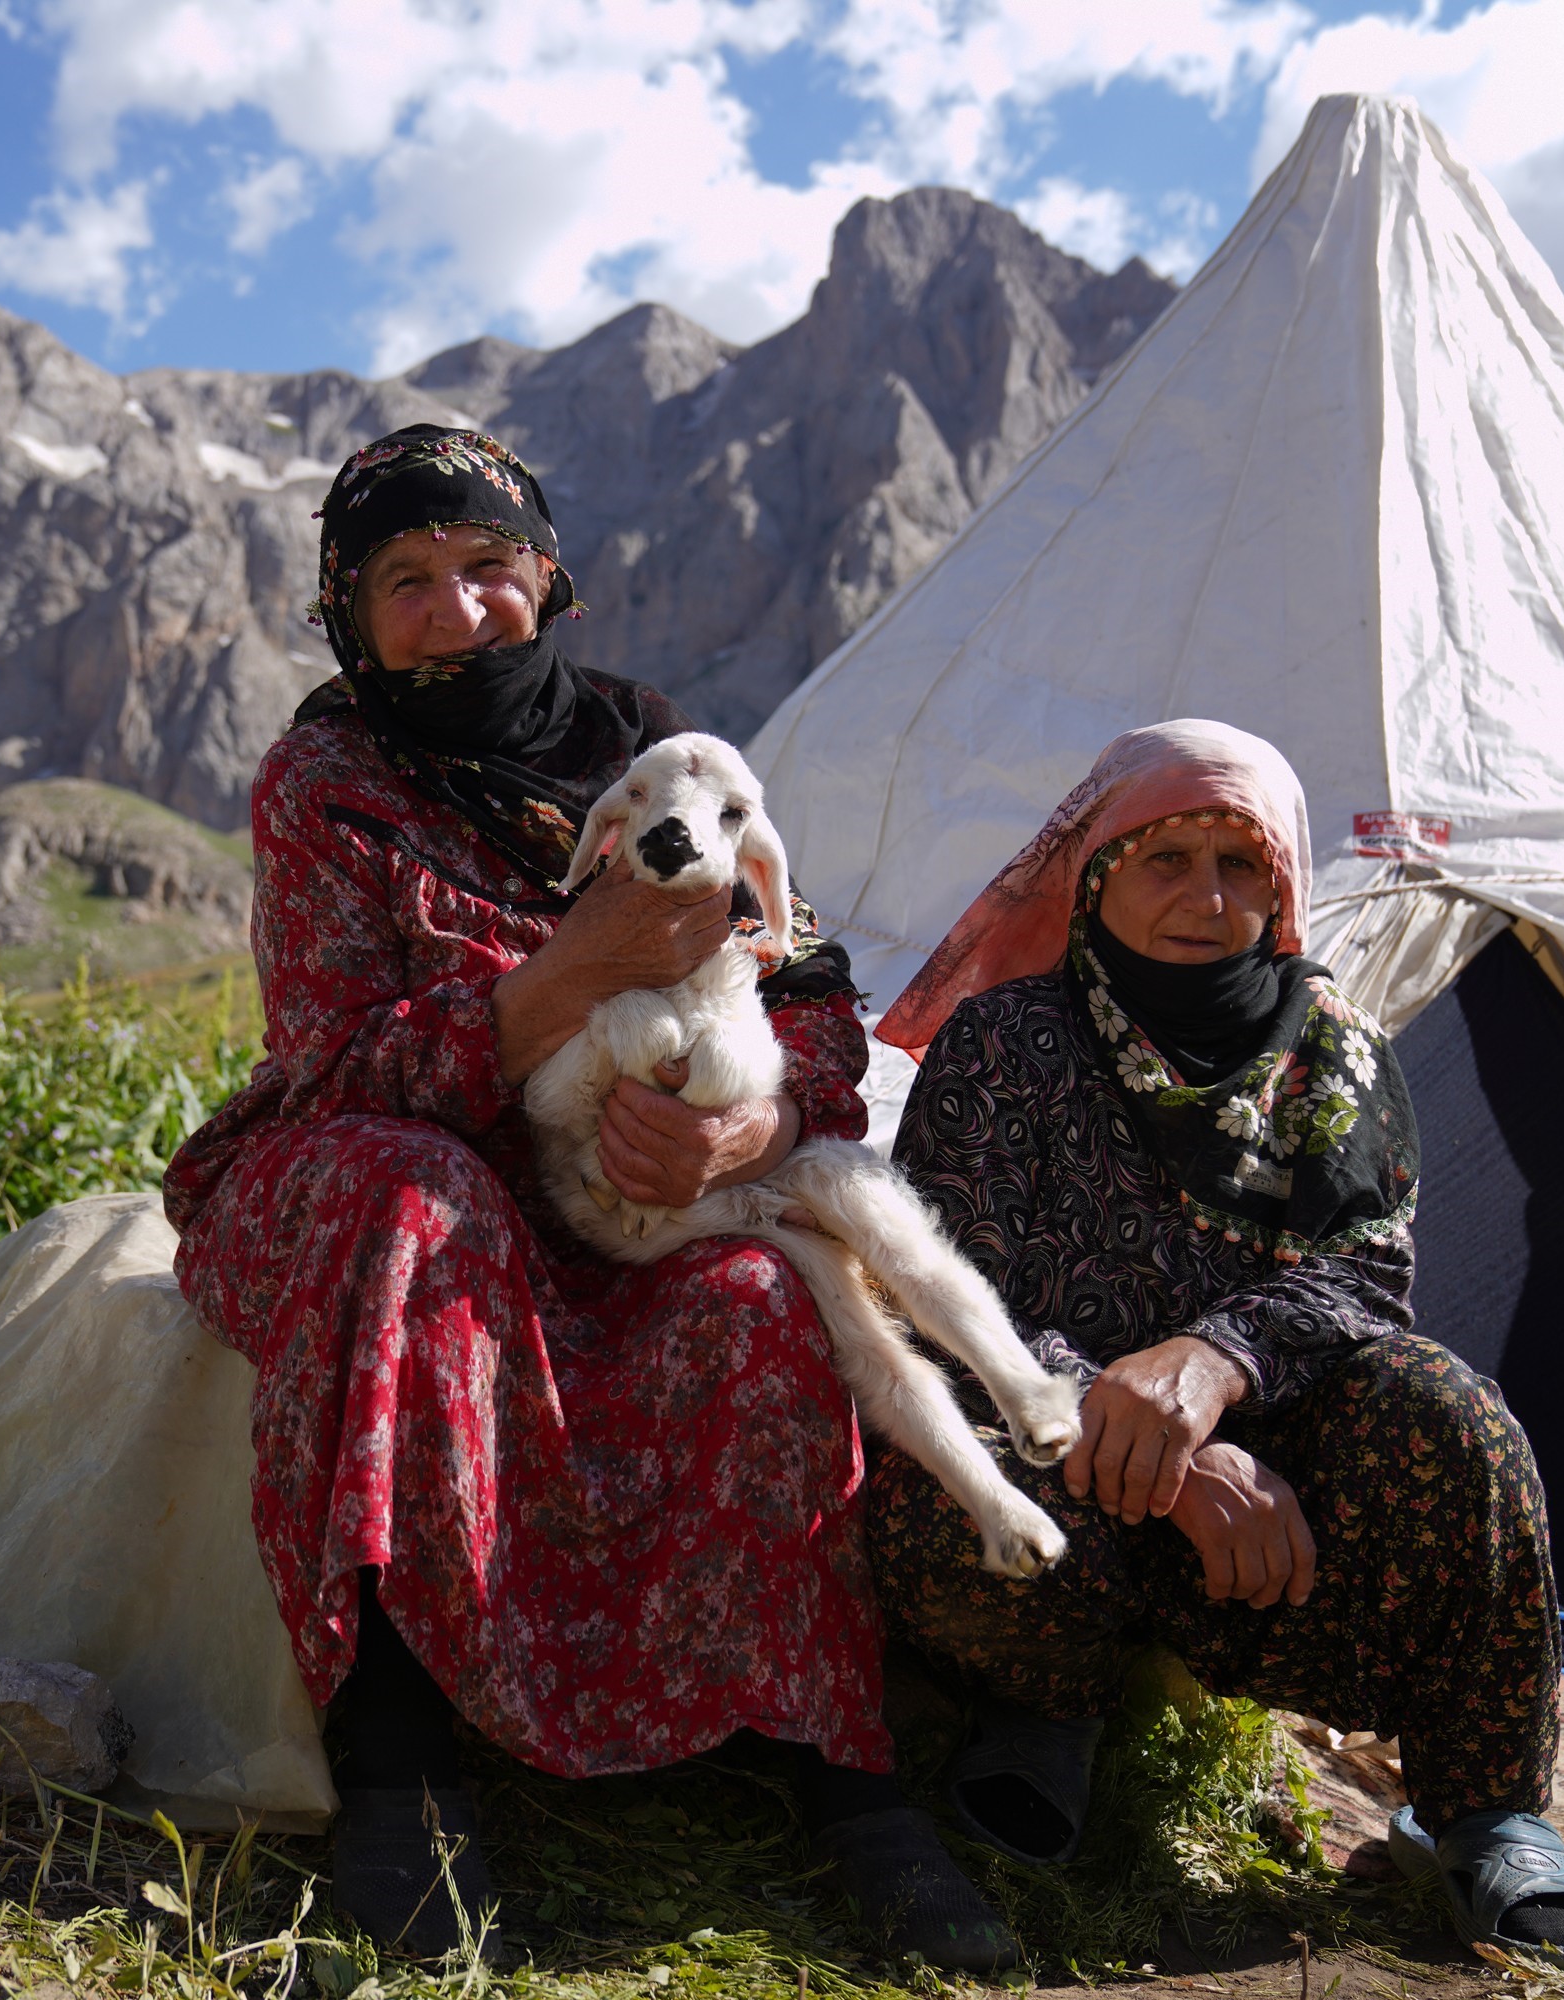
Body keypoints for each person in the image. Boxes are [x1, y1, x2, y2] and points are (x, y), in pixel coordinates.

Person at [162, 426, 1011, 1969]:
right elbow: (340, 1061)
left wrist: (748, 1135)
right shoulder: (327, 785)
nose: (458, 609)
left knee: (766, 1296)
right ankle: (398, 1770)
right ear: (349, 615)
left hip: (640, 1211)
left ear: (548, 578)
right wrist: (569, 981)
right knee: (413, 1195)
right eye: (406, 582)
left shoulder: (667, 762)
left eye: (488, 568)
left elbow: (814, 1002)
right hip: (394, 1181)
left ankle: (849, 1785)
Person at [864, 721, 1564, 1974]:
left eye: (1242, 863)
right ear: (1095, 871)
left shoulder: (1331, 1049)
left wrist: (1213, 1367)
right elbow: (950, 1295)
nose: (1204, 898)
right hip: (1070, 1446)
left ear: (1283, 886)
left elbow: (1365, 1275)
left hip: (1273, 1501)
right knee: (939, 1469)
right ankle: (1045, 1703)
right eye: (1166, 856)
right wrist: (1155, 1438)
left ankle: (1486, 1809)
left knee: (1451, 1414)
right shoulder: (1009, 1043)